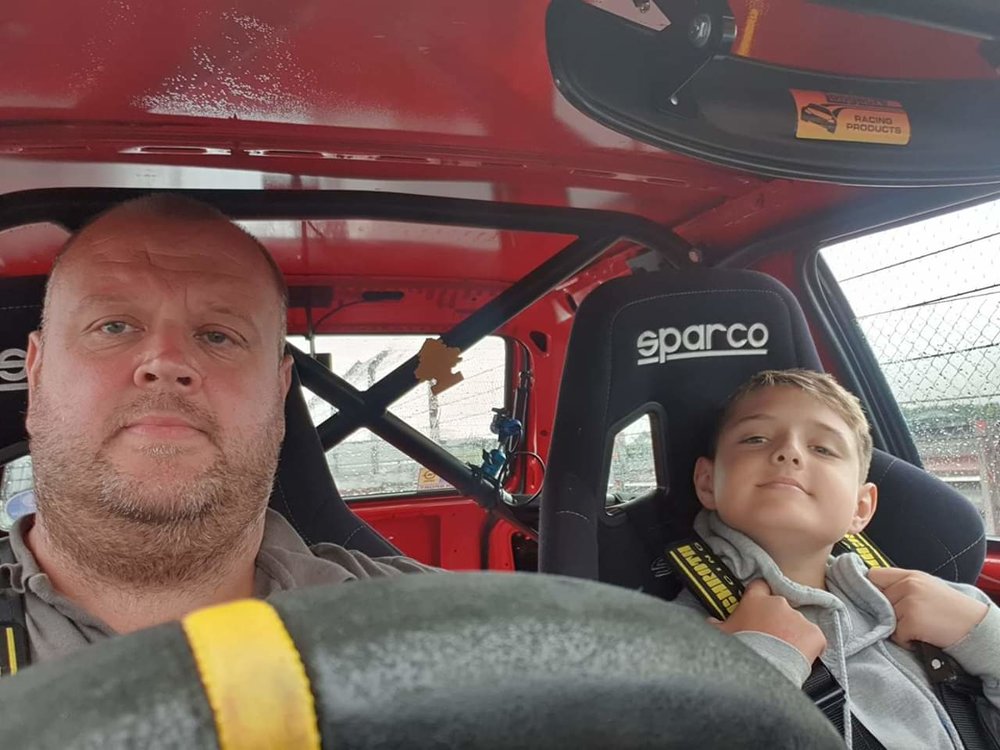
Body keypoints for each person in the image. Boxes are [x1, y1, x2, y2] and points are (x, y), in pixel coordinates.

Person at [0, 194, 435, 666]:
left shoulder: (447, 631)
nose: (167, 362)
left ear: (279, 391)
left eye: (217, 335)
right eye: (114, 326)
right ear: (36, 373)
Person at [683, 368, 1000, 749]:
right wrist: (761, 663)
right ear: (707, 482)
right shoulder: (679, 631)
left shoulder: (950, 606)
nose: (789, 451)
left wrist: (985, 636)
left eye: (822, 449)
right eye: (755, 438)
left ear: (860, 508)